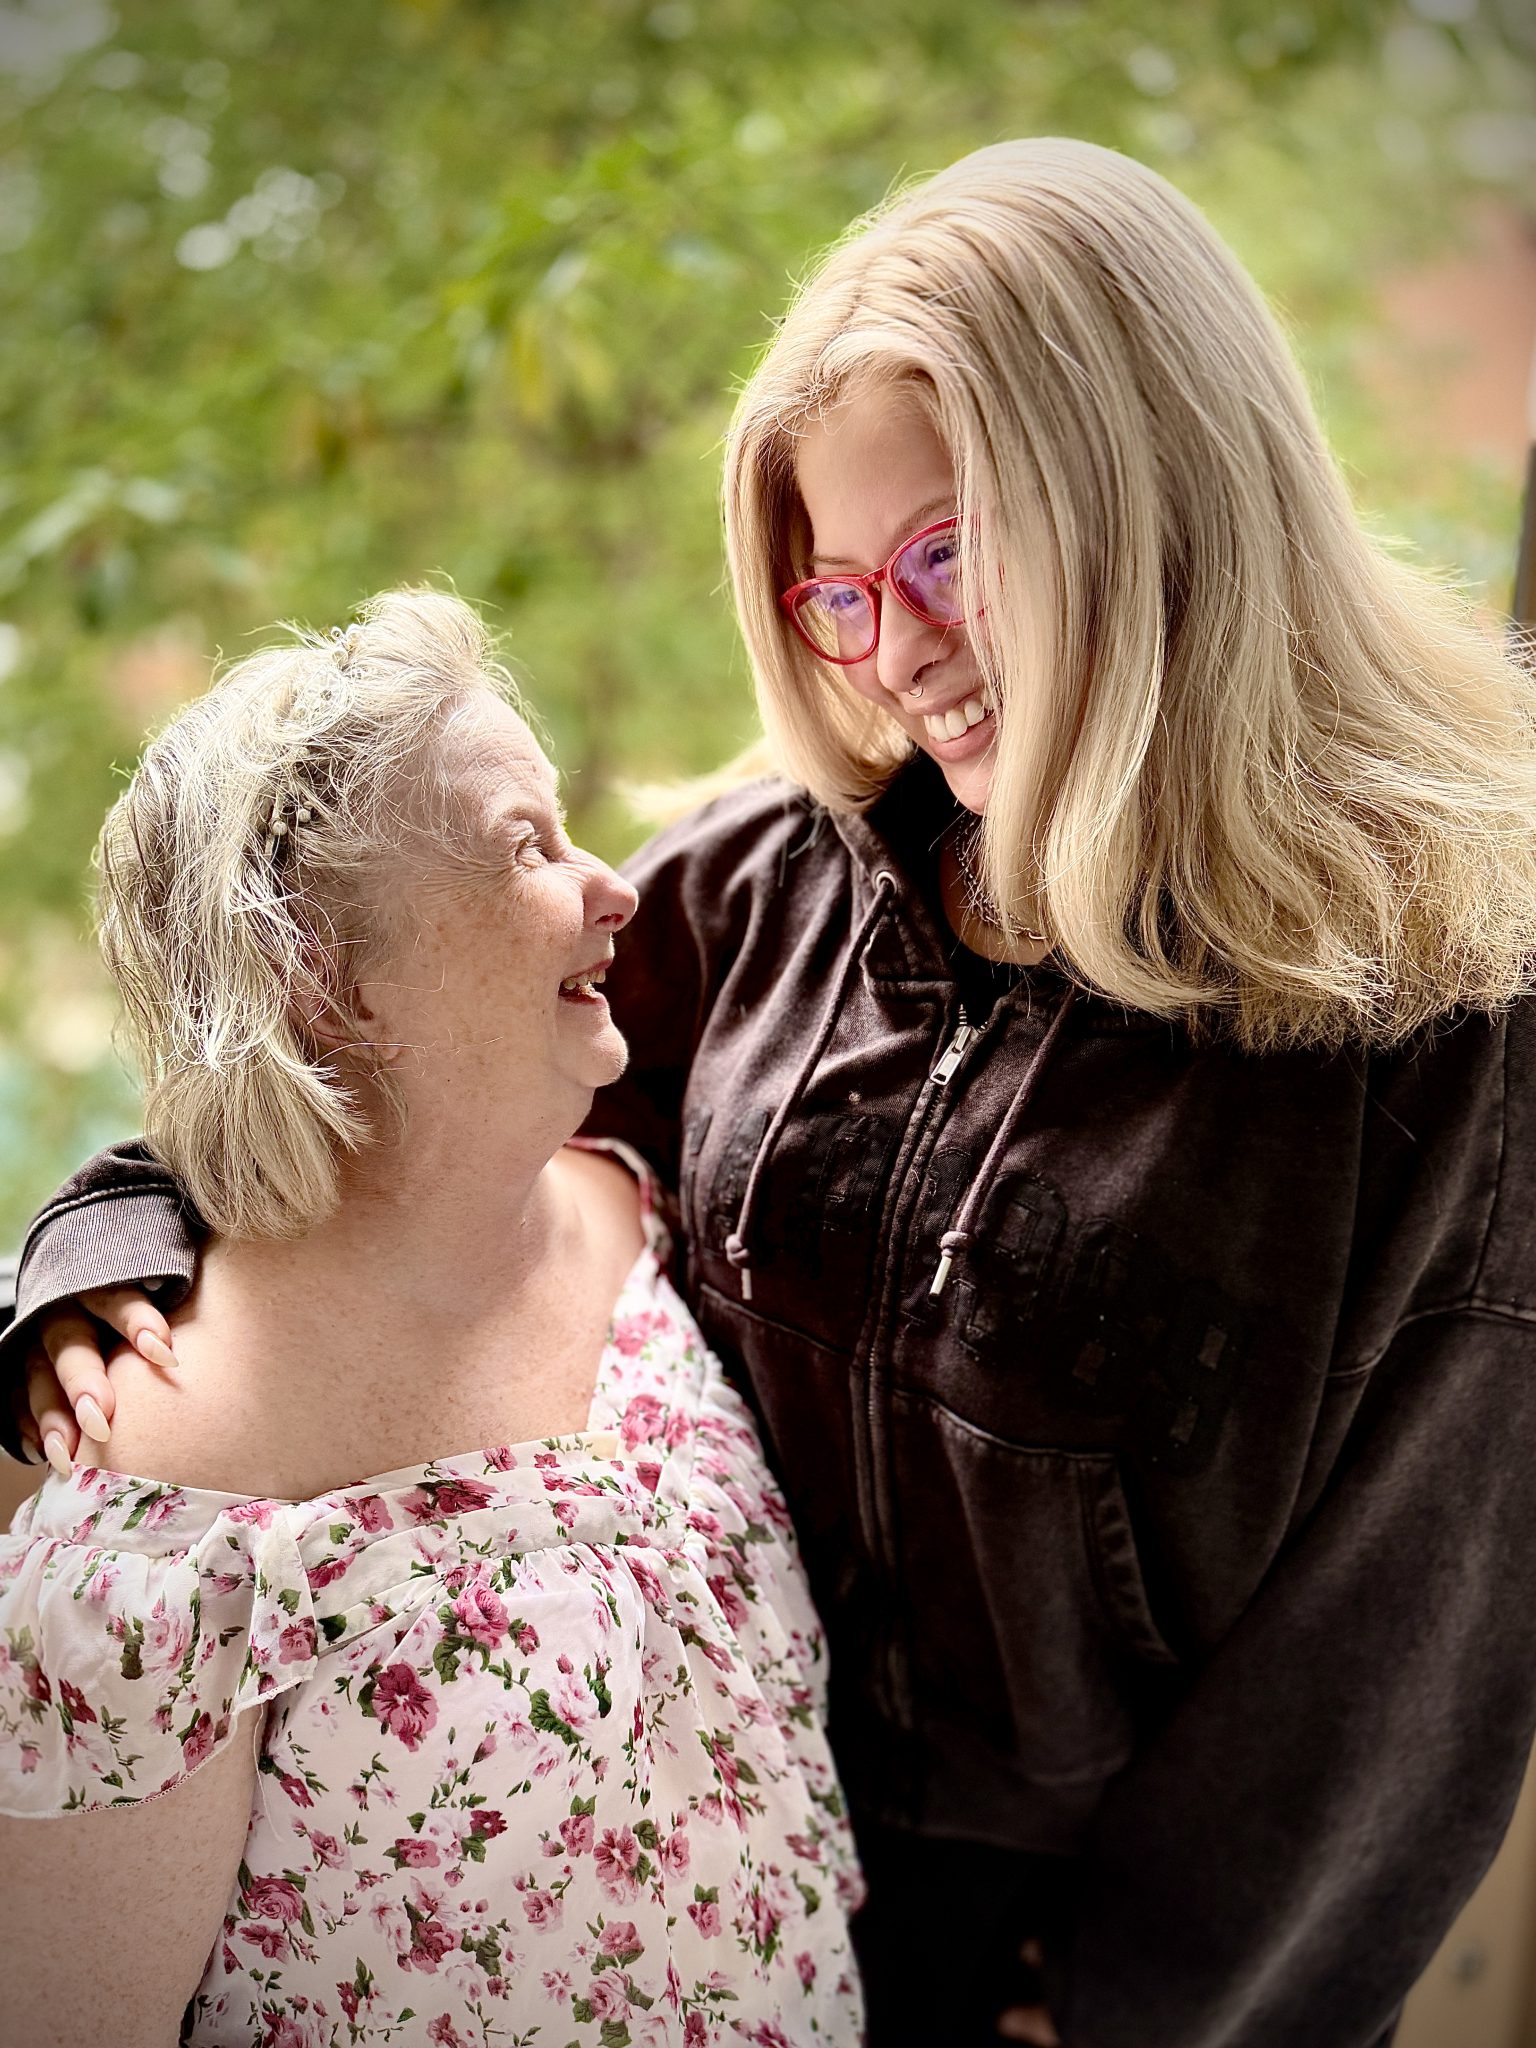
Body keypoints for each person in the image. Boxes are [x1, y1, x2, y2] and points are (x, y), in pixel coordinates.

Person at [7, 136, 1536, 2048]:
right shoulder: (776, 871)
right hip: (740, 1909)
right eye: (833, 591)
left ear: (1155, 501)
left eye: (948, 554)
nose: (895, 658)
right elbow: (370, 1079)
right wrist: (109, 1237)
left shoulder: (1451, 1030)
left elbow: (1371, 1726)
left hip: (1070, 1997)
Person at [0, 591, 863, 2047]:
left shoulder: (636, 1213)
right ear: (327, 981)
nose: (616, 888)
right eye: (526, 845)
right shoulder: (153, 1501)